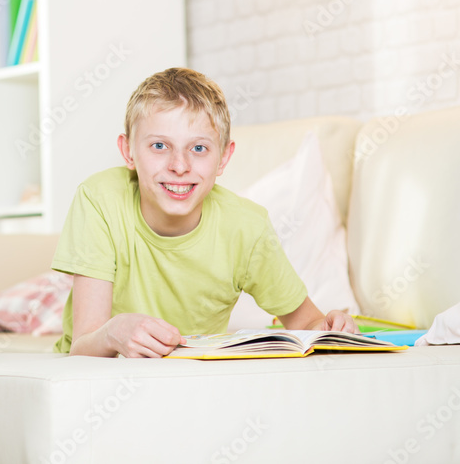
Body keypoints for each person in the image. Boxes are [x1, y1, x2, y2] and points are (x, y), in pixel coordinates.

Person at [52, 67, 358, 358]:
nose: (179, 166)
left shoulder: (247, 227)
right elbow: (82, 344)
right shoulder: (100, 199)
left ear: (223, 158)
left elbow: (306, 322)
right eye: (159, 146)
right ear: (128, 151)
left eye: (198, 149)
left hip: (194, 379)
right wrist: (112, 333)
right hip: (95, 376)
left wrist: (331, 327)